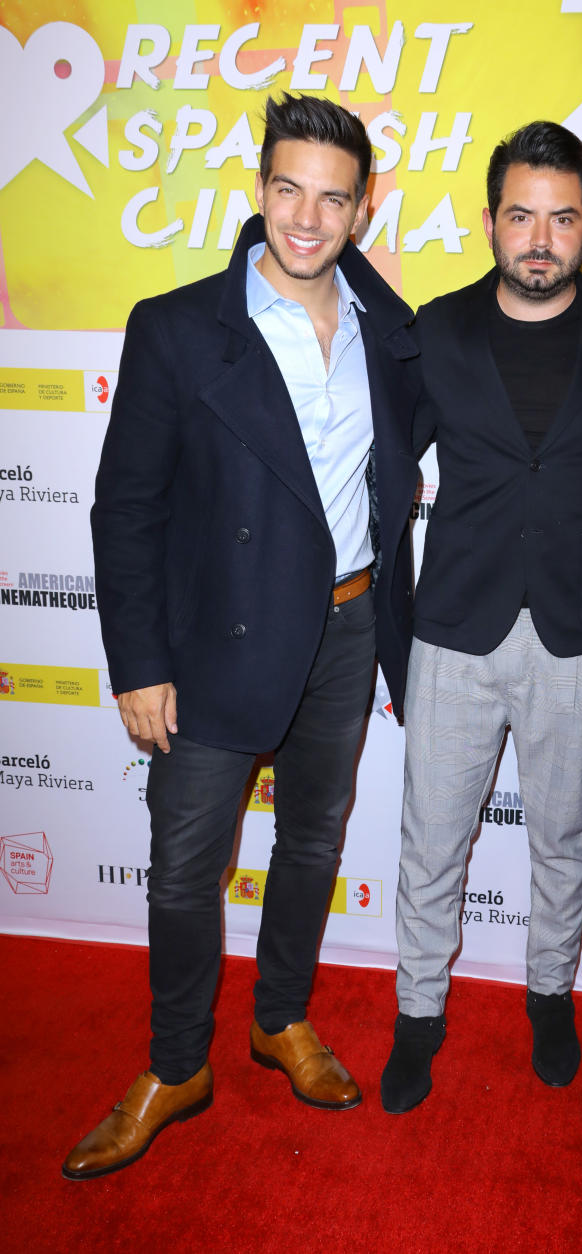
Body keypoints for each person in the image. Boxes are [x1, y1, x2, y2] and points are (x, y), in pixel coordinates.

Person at [63, 93, 420, 1181]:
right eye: (286, 189)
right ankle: (177, 1064)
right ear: (257, 188)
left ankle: (280, 1019)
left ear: (363, 207)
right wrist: (139, 663)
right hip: (215, 637)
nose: (305, 218)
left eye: (332, 196)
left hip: (349, 626)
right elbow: (126, 507)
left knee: (312, 842)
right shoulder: (177, 327)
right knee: (184, 870)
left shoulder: (390, 333)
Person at [381, 121, 582, 1113]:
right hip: (453, 630)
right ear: (490, 221)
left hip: (575, 632)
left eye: (562, 218)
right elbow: (379, 474)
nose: (541, 238)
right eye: (522, 216)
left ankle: (549, 994)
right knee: (429, 845)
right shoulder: (437, 329)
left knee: (564, 840)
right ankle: (418, 1013)